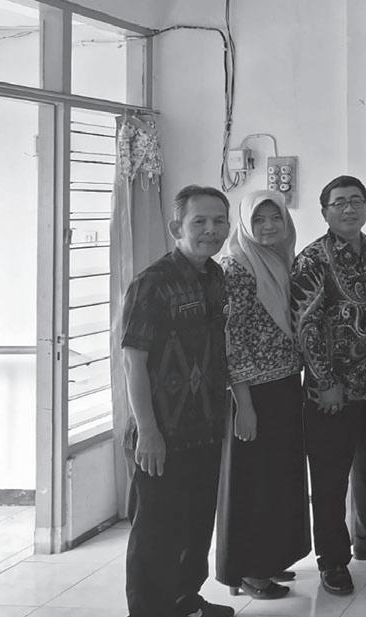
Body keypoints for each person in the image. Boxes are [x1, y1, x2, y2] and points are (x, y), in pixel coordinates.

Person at [121, 185, 234, 617]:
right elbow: (133, 361)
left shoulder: (216, 277)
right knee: (156, 534)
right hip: (162, 434)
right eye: (199, 221)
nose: (211, 230)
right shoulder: (152, 283)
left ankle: (185, 601)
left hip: (205, 427)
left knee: (196, 525)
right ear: (176, 227)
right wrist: (147, 431)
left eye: (218, 221)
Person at [290, 175, 366, 595]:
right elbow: (305, 324)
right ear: (325, 212)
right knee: (330, 480)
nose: (349, 208)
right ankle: (333, 561)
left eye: (356, 200)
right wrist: (325, 380)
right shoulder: (312, 259)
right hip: (331, 391)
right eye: (339, 203)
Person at [214, 190, 310, 599]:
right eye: (259, 220)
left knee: (278, 479)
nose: (269, 226)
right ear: (245, 224)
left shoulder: (283, 260)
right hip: (251, 392)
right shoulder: (236, 267)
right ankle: (248, 571)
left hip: (285, 385)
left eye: (276, 218)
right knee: (251, 483)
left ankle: (269, 560)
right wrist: (245, 405)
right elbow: (231, 339)